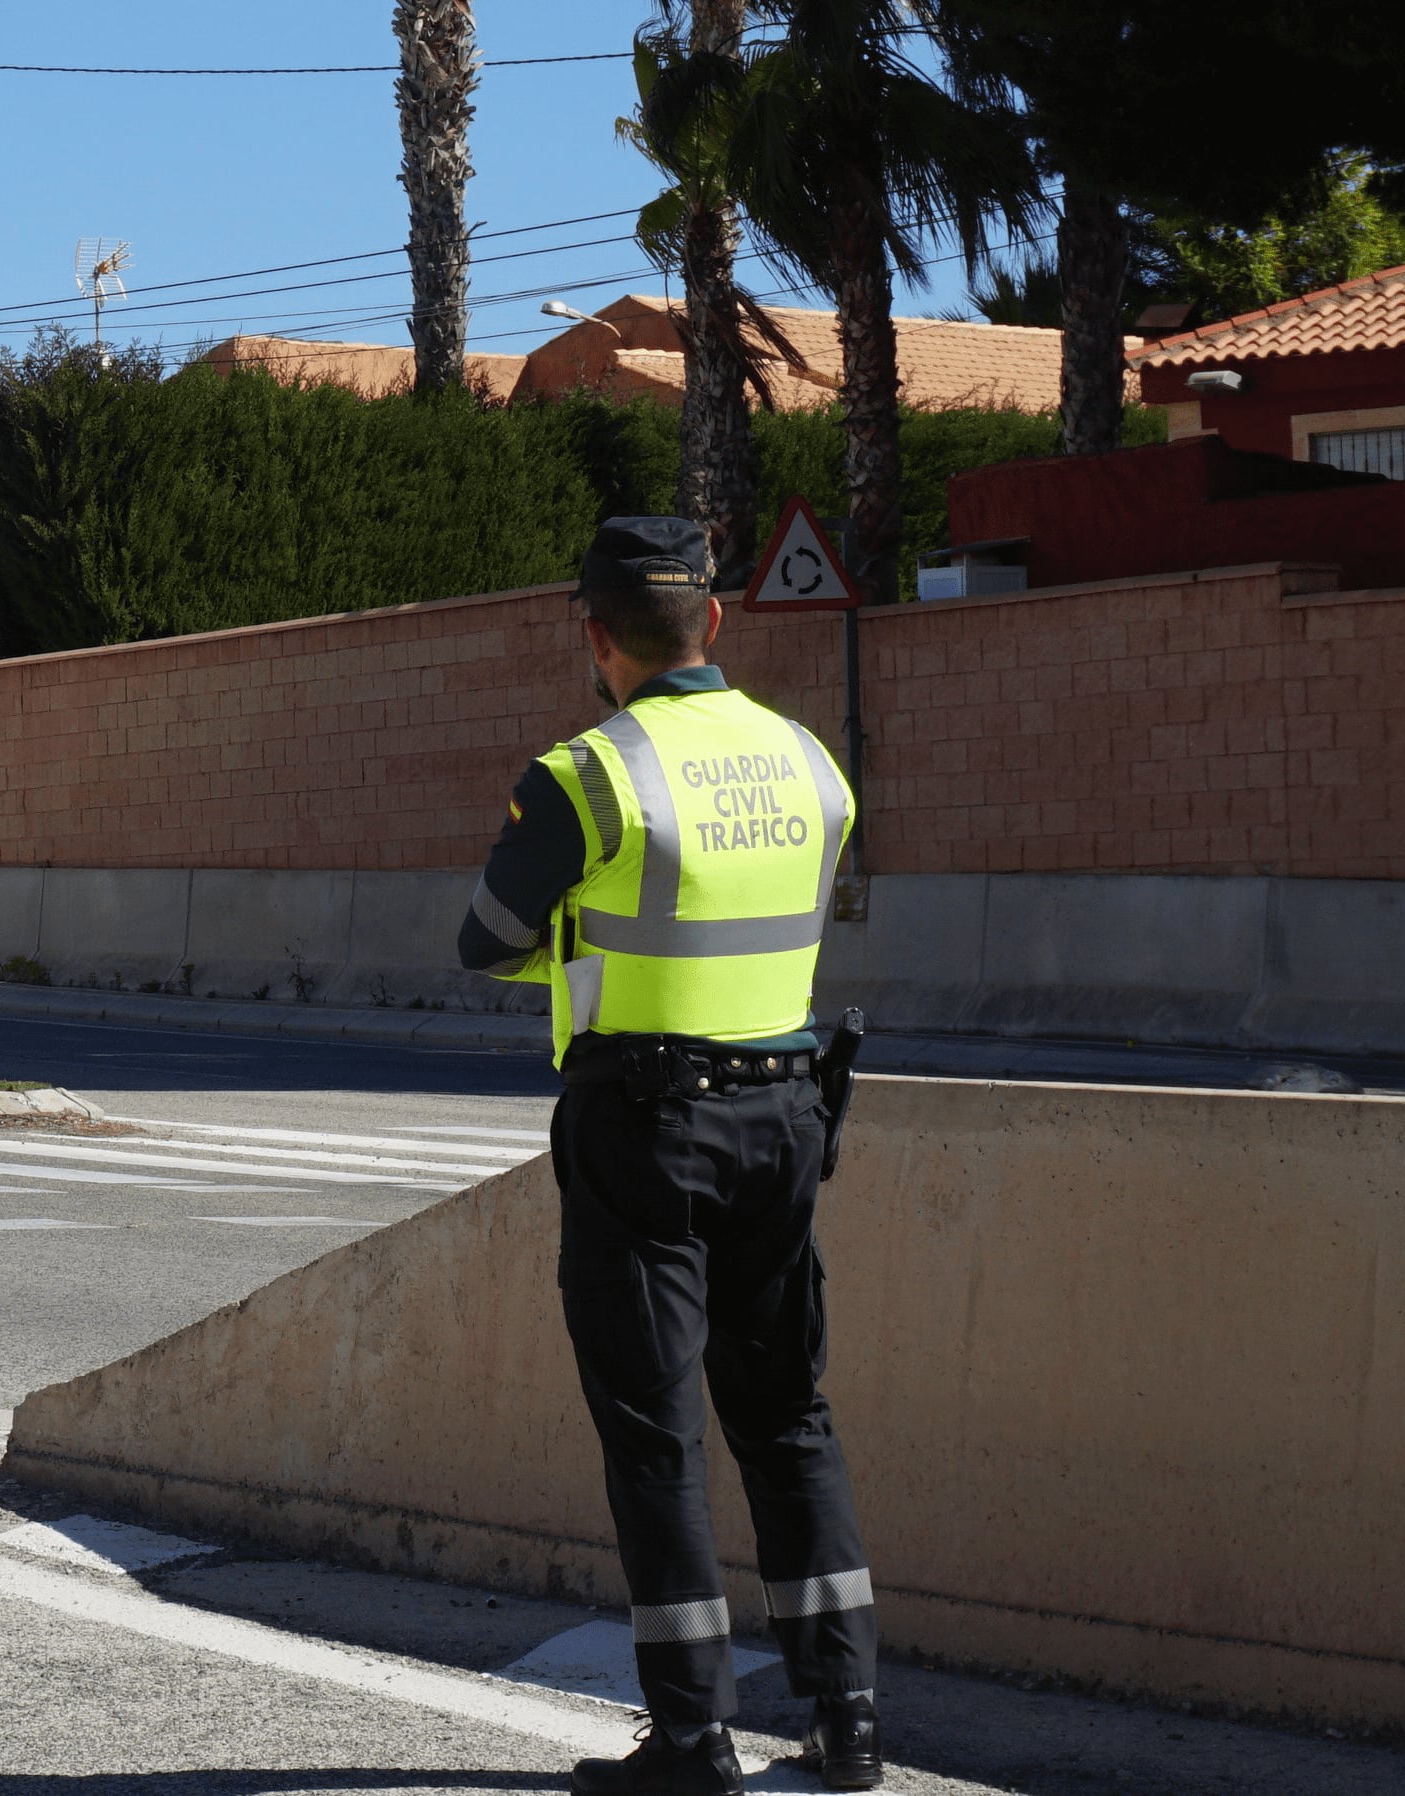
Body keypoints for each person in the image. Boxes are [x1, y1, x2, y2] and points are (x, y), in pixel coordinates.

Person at [457, 517, 882, 1795]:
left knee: (657, 1436)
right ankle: (849, 1719)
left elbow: (487, 937)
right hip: (790, 1115)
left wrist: (577, 933)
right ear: (717, 623)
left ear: (597, 637)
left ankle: (694, 1742)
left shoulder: (584, 774)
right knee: (789, 1416)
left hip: (649, 1125)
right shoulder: (811, 759)